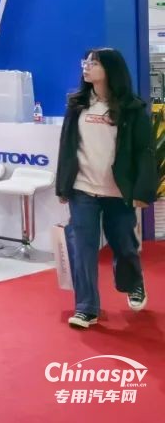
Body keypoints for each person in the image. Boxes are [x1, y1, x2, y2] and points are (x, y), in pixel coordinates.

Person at [57, 48, 157, 330]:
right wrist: (63, 185)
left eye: (94, 63)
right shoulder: (77, 104)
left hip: (118, 192)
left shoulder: (132, 108)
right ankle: (86, 307)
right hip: (82, 189)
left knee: (124, 245)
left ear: (111, 69)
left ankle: (133, 283)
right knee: (83, 248)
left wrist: (143, 191)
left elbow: (144, 152)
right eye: (86, 62)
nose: (86, 66)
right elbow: (67, 147)